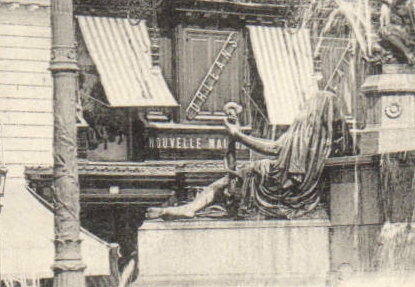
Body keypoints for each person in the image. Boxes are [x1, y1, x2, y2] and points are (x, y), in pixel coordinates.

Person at [147, 92, 346, 220]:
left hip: (275, 182)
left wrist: (238, 135)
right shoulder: (324, 141)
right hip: (300, 191)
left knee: (226, 181)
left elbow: (273, 149)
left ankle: (190, 207)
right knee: (229, 181)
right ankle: (191, 207)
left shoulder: (302, 131)